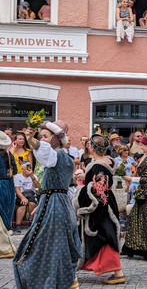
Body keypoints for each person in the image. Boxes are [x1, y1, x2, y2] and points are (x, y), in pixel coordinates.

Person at [14, 121, 83, 289]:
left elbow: (43, 151)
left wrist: (31, 138)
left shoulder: (56, 155)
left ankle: (53, 281)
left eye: (45, 136)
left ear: (55, 139)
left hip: (54, 206)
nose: (42, 139)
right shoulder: (64, 158)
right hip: (60, 204)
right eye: (41, 136)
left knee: (43, 246)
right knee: (59, 246)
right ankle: (70, 280)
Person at [73, 134, 125, 284]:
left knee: (104, 236)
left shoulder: (97, 166)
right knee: (107, 235)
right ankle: (117, 271)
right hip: (108, 202)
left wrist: (81, 192)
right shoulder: (108, 161)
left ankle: (118, 272)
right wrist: (86, 175)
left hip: (100, 206)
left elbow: (97, 189)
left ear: (92, 147)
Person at [0, 130, 17, 243]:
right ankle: (7, 227)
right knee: (8, 206)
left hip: (1, 183)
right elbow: (14, 170)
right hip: (9, 183)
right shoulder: (9, 154)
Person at [14, 162, 39, 233]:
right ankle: (18, 224)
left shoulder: (34, 176)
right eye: (27, 167)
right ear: (22, 169)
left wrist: (32, 176)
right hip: (21, 194)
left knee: (32, 203)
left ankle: (31, 221)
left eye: (30, 167)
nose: (29, 168)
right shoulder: (18, 176)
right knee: (23, 204)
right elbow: (17, 189)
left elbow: (37, 186)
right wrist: (22, 197)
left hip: (31, 193)